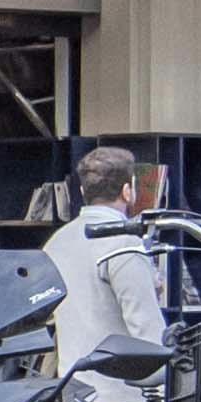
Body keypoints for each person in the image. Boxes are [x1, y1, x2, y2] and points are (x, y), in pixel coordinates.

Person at [45, 143, 167, 378]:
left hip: (72, 384)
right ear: (127, 191)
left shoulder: (56, 242)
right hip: (121, 392)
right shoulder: (124, 243)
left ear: (82, 191)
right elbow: (146, 330)